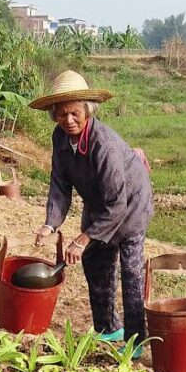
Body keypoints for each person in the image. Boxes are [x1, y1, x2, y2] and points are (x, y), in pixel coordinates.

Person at [31, 70, 154, 355]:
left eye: (75, 113)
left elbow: (118, 205)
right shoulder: (60, 139)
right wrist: (50, 225)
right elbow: (60, 184)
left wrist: (82, 238)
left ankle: (136, 341)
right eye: (62, 115)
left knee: (130, 271)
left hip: (131, 204)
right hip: (99, 203)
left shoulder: (105, 145)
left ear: (88, 110)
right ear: (54, 115)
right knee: (96, 263)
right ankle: (108, 329)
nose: (69, 120)